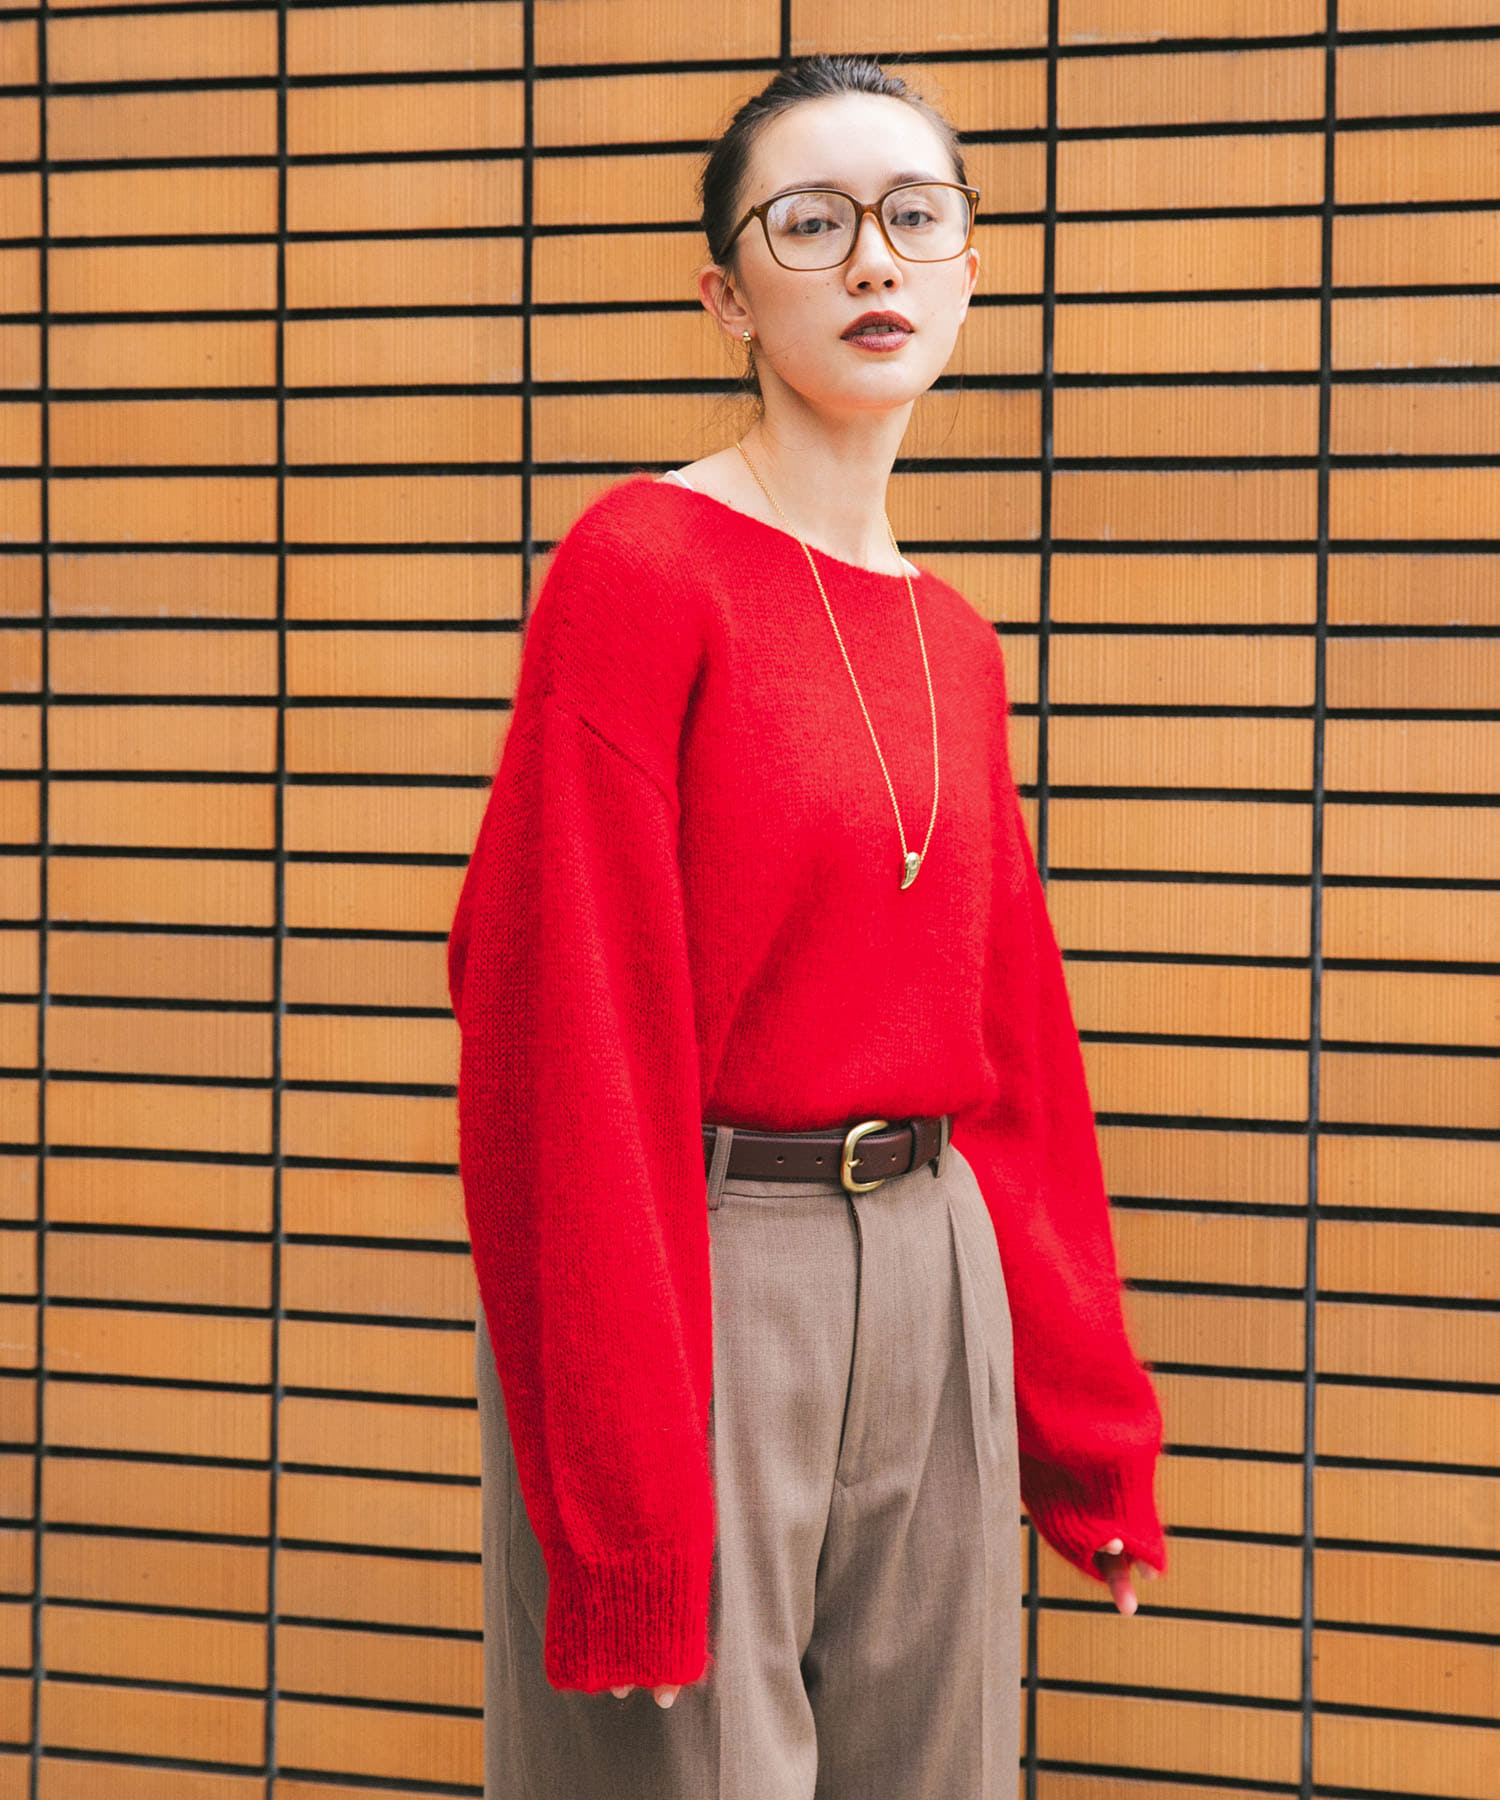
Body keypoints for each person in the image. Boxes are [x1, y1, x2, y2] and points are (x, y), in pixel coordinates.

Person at [447, 52, 1167, 1800]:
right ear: (726, 295)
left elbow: (1015, 1049)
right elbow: (565, 1026)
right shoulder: (640, 569)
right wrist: (621, 1491)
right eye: (811, 222)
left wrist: (1085, 1430)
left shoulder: (957, 640)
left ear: (970, 268)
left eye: (915, 216)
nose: (872, 260)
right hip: (701, 1269)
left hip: (934, 1258)